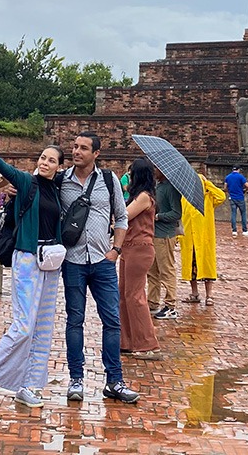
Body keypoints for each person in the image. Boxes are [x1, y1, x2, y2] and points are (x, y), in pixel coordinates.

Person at [0, 135, 66, 410]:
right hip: (27, 258)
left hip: (51, 263)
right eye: (43, 158)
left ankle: (28, 386)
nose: (45, 163)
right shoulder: (27, 182)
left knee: (42, 328)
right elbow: (5, 169)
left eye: (51, 160)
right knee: (23, 327)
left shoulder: (57, 189)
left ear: (59, 166)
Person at [59, 132, 140, 404]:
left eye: (83, 148)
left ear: (96, 153)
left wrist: (115, 251)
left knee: (112, 322)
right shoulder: (62, 181)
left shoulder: (109, 179)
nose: (77, 151)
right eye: (74, 146)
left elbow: (121, 217)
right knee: (74, 321)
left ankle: (114, 381)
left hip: (103, 261)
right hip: (72, 261)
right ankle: (76, 379)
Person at [118, 158, 160, 359]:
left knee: (135, 295)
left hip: (139, 248)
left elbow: (124, 215)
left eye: (131, 172)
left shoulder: (145, 197)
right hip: (128, 247)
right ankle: (126, 340)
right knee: (124, 294)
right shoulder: (138, 196)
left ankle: (147, 344)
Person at [179, 172, 226, 306]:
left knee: (207, 267)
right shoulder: (185, 198)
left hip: (204, 238)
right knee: (191, 268)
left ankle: (209, 295)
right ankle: (194, 293)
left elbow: (221, 196)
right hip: (189, 238)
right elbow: (182, 216)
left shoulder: (208, 197)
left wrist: (207, 183)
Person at [146, 164, 182, 320]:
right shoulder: (157, 186)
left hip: (165, 235)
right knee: (152, 271)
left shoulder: (170, 188)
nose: (154, 171)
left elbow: (176, 213)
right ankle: (152, 302)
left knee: (166, 270)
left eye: (156, 169)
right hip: (155, 234)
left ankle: (170, 305)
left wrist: (159, 216)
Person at [223, 166, 248, 237]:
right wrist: (245, 190)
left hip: (232, 197)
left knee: (233, 214)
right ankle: (244, 230)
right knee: (243, 213)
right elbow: (247, 186)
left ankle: (234, 231)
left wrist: (229, 192)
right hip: (240, 197)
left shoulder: (228, 177)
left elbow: (225, 188)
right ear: (238, 170)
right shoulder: (241, 177)